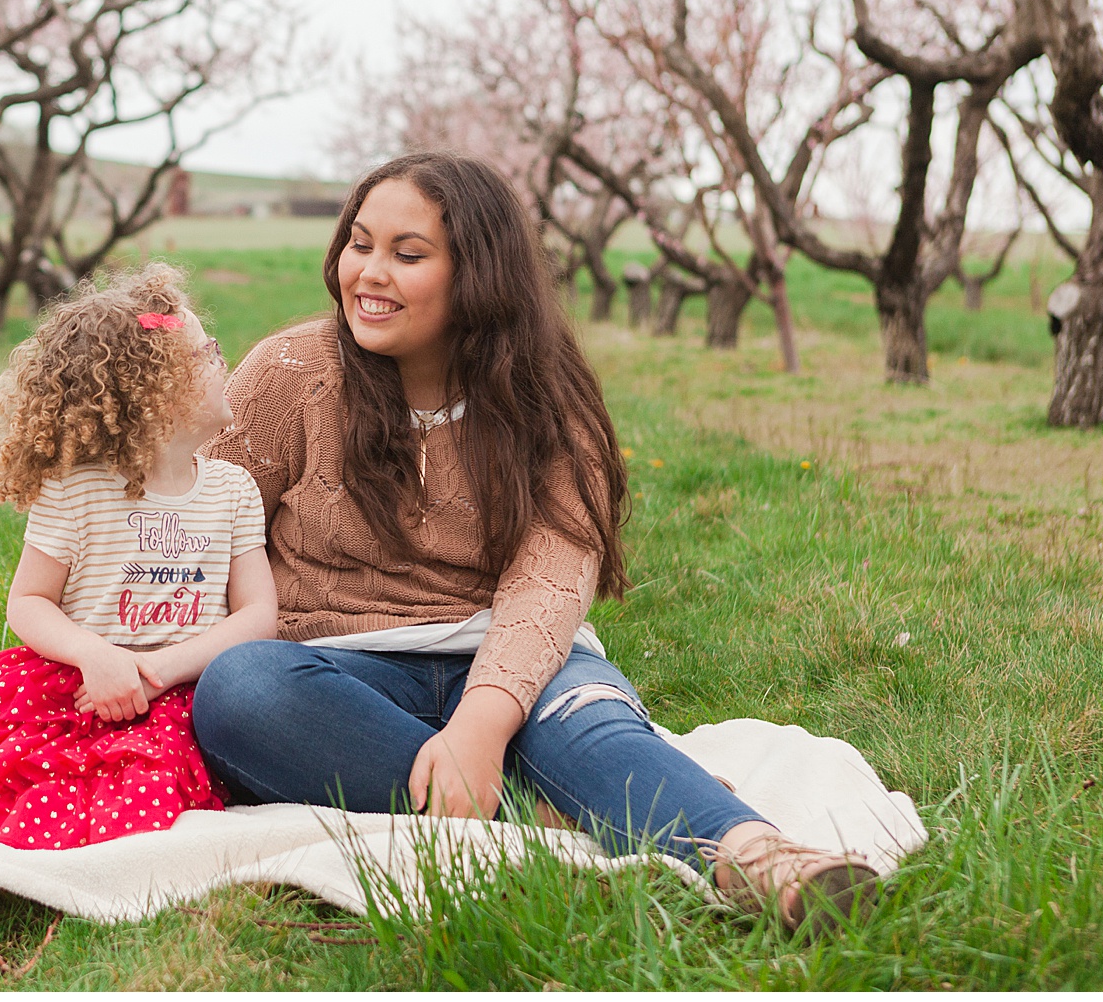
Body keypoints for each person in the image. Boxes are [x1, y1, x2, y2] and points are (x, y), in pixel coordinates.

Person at [192, 152, 878, 934]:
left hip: (518, 656)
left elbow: (552, 573)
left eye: (407, 255)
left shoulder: (543, 395)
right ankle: (547, 810)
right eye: (359, 244)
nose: (369, 273)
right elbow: (202, 523)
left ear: (477, 275)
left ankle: (759, 859)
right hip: (340, 666)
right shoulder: (292, 372)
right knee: (240, 688)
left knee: (591, 723)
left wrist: (484, 724)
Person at [0, 264, 278, 850]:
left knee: (156, 783)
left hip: (184, 687)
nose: (224, 359)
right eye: (208, 352)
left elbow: (257, 616)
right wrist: (96, 656)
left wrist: (156, 673)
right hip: (83, 686)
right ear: (157, 393)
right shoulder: (77, 490)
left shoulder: (232, 490)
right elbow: (28, 601)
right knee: (26, 781)